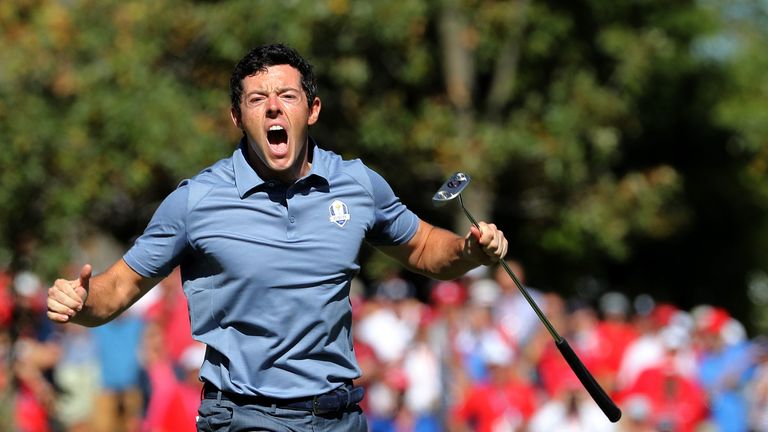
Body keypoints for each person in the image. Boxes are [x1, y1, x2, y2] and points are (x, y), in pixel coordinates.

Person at [46, 43, 509, 432]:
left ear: (312, 109)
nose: (273, 106)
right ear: (236, 116)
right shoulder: (197, 200)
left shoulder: (357, 184)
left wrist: (469, 251)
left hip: (339, 415)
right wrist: (82, 302)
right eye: (256, 99)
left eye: (287, 95)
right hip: (245, 415)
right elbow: (120, 287)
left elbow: (426, 248)